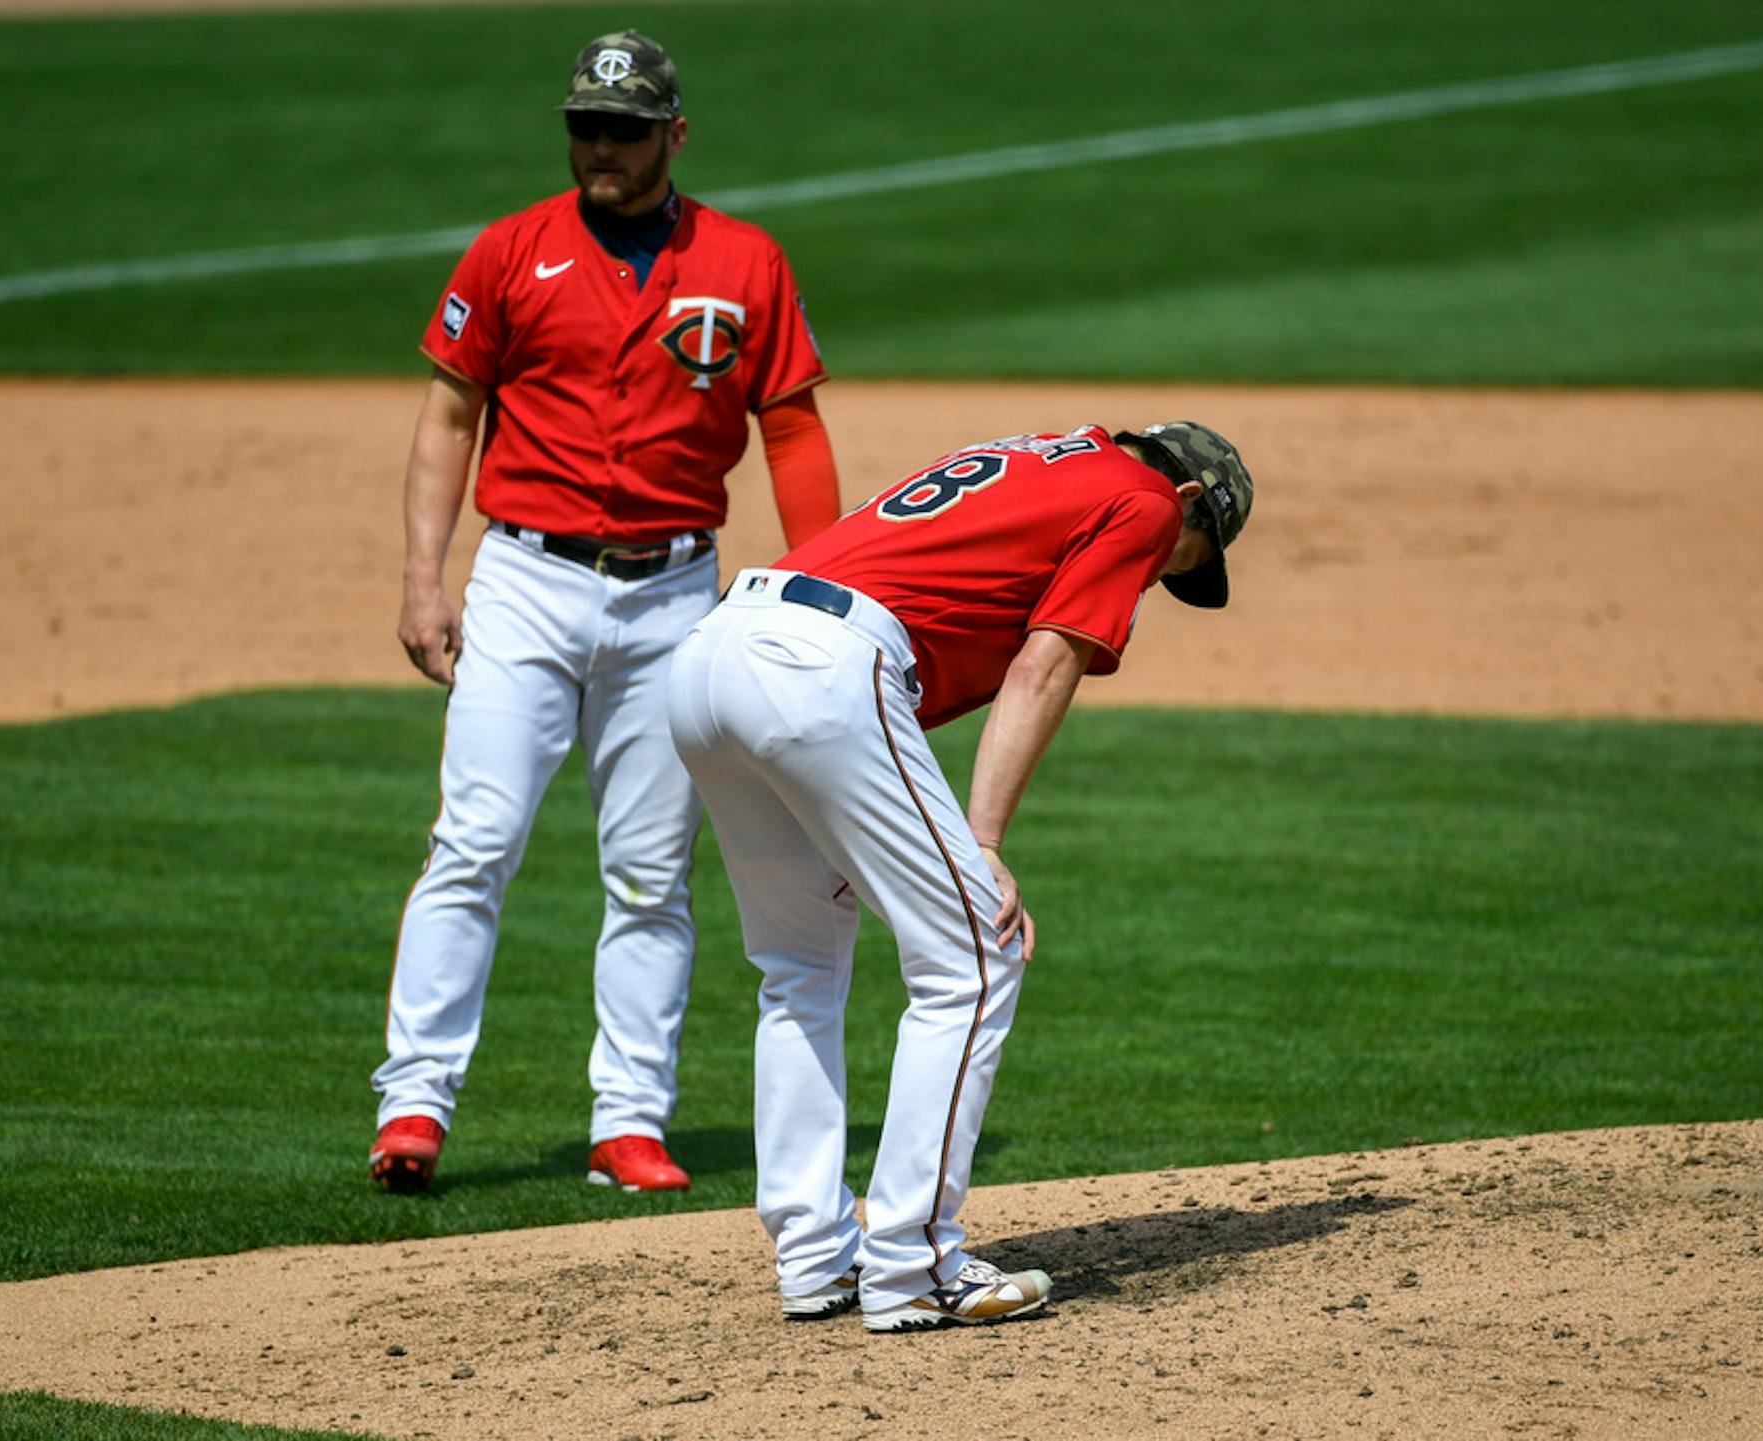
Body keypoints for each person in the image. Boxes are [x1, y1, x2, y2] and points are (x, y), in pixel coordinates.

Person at [369, 29, 842, 1195]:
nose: (603, 150)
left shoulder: (746, 261)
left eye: (627, 132)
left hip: (677, 594)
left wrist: (831, 582)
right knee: (474, 840)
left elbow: (791, 426)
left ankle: (629, 1119)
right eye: (587, 127)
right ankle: (414, 1105)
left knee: (647, 870)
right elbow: (448, 415)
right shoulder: (510, 252)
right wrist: (425, 577)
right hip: (526, 582)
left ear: (674, 135)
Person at [666, 420, 1254, 1329]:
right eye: (1184, 556)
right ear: (1187, 501)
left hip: (716, 651)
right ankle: (915, 1263)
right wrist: (981, 841)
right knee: (976, 952)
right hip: (822, 666)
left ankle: (816, 1258)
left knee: (799, 968)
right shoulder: (1140, 501)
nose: (1162, 571)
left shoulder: (1045, 460)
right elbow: (1044, 664)